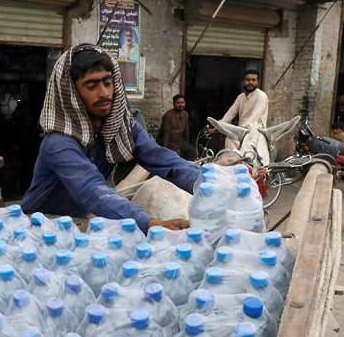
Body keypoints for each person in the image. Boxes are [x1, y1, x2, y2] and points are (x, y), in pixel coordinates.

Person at [21, 44, 200, 232]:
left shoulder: (122, 127)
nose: (104, 93)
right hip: (38, 223)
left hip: (77, 219)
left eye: (107, 83)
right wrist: (151, 224)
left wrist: (208, 182)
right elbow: (93, 191)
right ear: (71, 94)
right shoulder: (58, 143)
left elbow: (160, 158)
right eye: (91, 86)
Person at [217, 69, 269, 149]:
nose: (250, 82)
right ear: (243, 82)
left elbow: (254, 116)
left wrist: (239, 129)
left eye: (253, 80)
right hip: (241, 132)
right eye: (248, 80)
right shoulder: (240, 97)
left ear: (257, 83)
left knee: (232, 140)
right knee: (229, 140)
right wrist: (217, 125)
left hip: (256, 132)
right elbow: (230, 114)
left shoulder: (261, 96)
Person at [158, 94, 196, 160]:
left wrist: (187, 143)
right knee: (175, 155)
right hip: (169, 141)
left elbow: (186, 130)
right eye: (178, 103)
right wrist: (164, 148)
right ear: (174, 104)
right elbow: (165, 133)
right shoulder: (168, 115)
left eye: (182, 103)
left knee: (192, 151)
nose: (180, 104)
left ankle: (187, 167)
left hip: (179, 141)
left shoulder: (185, 114)